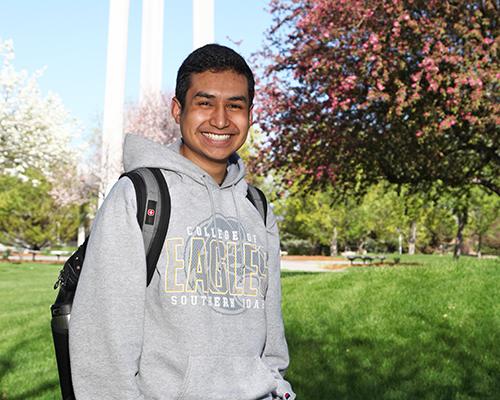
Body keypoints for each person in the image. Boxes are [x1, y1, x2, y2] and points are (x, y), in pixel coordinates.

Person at [69, 44, 295, 400]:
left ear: (250, 113)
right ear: (178, 110)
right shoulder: (140, 197)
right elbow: (102, 346)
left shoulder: (257, 206)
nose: (220, 120)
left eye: (234, 105)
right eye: (204, 103)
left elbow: (272, 337)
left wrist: (277, 387)